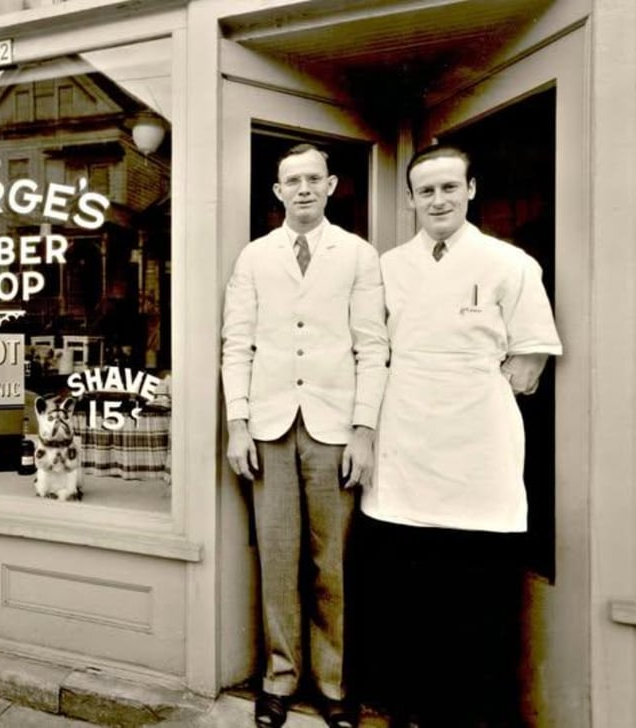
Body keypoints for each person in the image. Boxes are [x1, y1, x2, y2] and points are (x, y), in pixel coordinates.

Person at [357, 144, 562, 727]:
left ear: (471, 190)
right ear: (412, 200)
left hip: (477, 445)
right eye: (426, 191)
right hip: (405, 443)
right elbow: (373, 348)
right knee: (408, 586)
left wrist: (468, 393)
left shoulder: (509, 263)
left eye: (450, 187)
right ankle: (408, 707)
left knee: (477, 592)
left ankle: (471, 714)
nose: (438, 200)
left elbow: (528, 364)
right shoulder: (389, 267)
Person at [221, 143, 388, 728]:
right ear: (277, 191)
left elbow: (373, 347)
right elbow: (236, 345)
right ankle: (279, 678)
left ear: (333, 185)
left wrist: (363, 431)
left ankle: (333, 683)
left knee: (331, 563)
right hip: (268, 429)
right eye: (292, 180)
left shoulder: (359, 255)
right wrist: (237, 424)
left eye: (314, 179)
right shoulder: (254, 257)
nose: (303, 189)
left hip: (334, 430)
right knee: (277, 558)